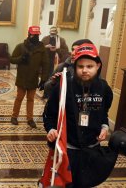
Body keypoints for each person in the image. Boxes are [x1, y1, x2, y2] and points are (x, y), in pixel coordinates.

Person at [43, 43, 113, 187]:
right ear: (75, 66)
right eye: (81, 67)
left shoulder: (104, 88)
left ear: (98, 65)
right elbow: (49, 114)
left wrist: (105, 127)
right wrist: (50, 129)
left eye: (90, 66)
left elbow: (103, 113)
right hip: (68, 151)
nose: (85, 70)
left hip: (91, 150)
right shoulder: (63, 87)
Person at [10, 26, 49, 128]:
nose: (35, 37)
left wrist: (44, 79)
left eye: (37, 35)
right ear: (28, 34)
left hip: (33, 78)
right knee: (19, 98)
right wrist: (21, 58)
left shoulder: (42, 49)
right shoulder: (20, 46)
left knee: (30, 99)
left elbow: (45, 64)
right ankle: (14, 116)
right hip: (22, 78)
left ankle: (30, 119)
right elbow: (12, 59)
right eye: (33, 35)